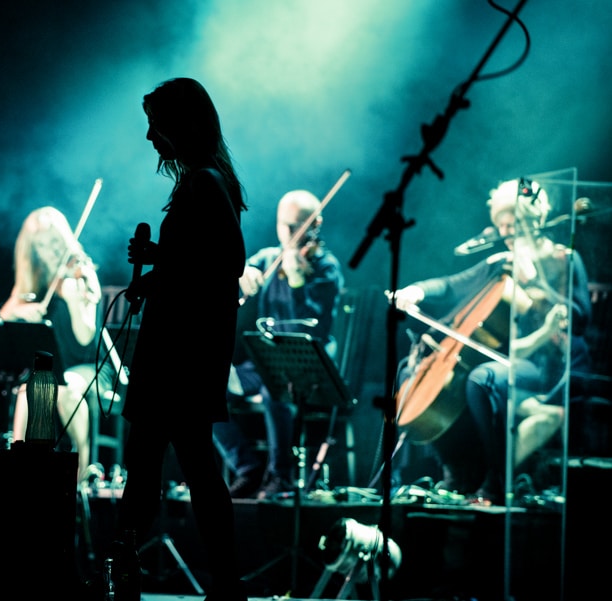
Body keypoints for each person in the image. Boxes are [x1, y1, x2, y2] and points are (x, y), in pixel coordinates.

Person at [118, 77, 249, 601]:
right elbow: (202, 266)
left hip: (178, 356)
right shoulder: (209, 180)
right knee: (186, 468)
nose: (151, 136)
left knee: (150, 468)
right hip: (188, 353)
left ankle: (122, 578)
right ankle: (224, 586)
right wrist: (155, 272)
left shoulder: (204, 182)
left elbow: (229, 263)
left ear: (182, 125)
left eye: (156, 125)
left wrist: (161, 260)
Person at [391, 177, 592, 505]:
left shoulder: (563, 259)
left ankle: (496, 478)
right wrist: (416, 291)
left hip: (548, 364)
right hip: (513, 357)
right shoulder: (502, 261)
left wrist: (535, 282)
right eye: (501, 225)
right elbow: (452, 284)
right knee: (421, 379)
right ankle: (456, 471)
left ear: (534, 221)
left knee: (481, 379)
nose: (505, 232)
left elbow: (580, 317)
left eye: (513, 225)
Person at [213, 189, 344, 499]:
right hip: (267, 360)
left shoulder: (326, 267)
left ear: (316, 224)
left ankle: (281, 475)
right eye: (286, 225)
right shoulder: (268, 258)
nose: (292, 234)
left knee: (275, 387)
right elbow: (235, 275)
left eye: (299, 226)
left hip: (308, 364)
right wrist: (242, 272)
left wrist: (297, 282)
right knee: (203, 388)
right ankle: (247, 468)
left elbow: (313, 325)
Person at [0, 205, 116, 483]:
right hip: (57, 365)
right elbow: (4, 314)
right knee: (27, 389)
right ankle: (19, 462)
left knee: (66, 389)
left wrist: (74, 301)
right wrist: (24, 309)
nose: (50, 250)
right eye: (41, 245)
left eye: (53, 241)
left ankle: (80, 469)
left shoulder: (82, 271)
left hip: (91, 365)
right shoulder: (37, 275)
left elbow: (85, 338)